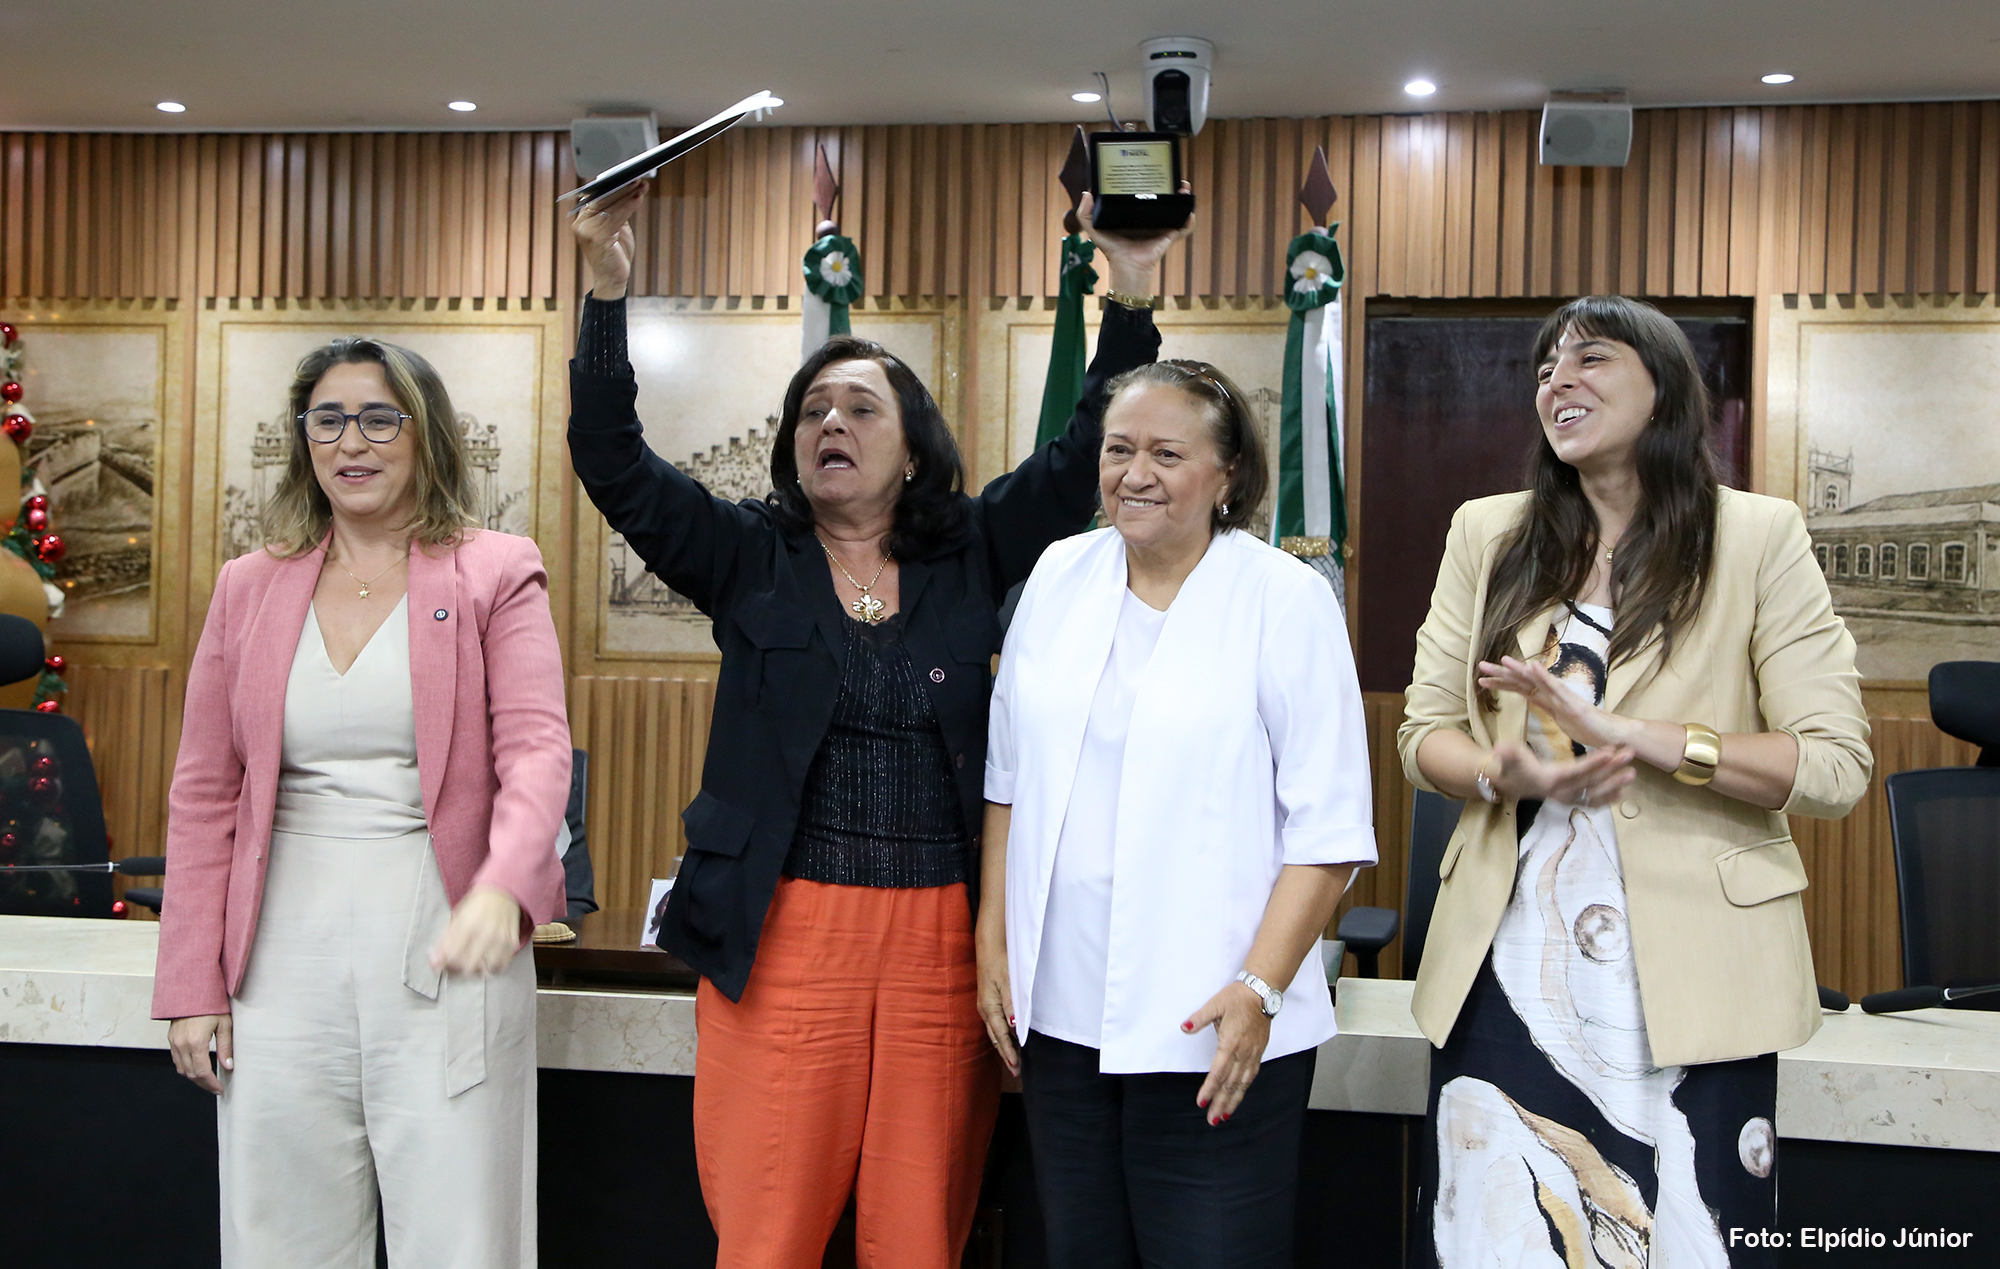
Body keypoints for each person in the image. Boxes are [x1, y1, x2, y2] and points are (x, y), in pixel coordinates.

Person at [566, 184, 1191, 1269]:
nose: (830, 424)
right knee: (766, 1232)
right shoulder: (745, 554)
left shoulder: (973, 550)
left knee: (917, 1234)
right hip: (780, 933)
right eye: (812, 410)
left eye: (860, 408)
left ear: (911, 451)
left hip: (939, 943)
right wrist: (606, 294)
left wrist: (1130, 289)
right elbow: (613, 459)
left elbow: (1079, 454)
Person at [1399, 296, 1872, 1266]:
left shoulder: (1756, 535)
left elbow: (1832, 764)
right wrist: (1498, 771)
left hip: (1698, 977)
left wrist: (1639, 738)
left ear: (1663, 390)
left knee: (1688, 1238)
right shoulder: (1487, 534)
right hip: (1508, 972)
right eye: (1544, 369)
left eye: (1591, 359)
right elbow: (1422, 734)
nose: (1557, 381)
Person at [153, 338, 571, 1268]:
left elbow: (536, 751)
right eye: (329, 420)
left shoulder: (495, 569)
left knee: (463, 1237)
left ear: (427, 434)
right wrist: (190, 984)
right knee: (278, 1237)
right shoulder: (248, 585)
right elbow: (204, 792)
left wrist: (505, 884)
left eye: (381, 418)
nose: (353, 442)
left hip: (446, 943)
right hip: (278, 958)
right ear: (303, 438)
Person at [976, 360, 1377, 1269]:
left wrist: (1261, 989)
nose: (1135, 474)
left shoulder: (1285, 597)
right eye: (1119, 450)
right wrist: (993, 940)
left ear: (1227, 475)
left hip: (1218, 1022)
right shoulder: (1058, 573)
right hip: (1062, 1021)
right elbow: (1008, 780)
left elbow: (1329, 831)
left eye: (1167, 453)